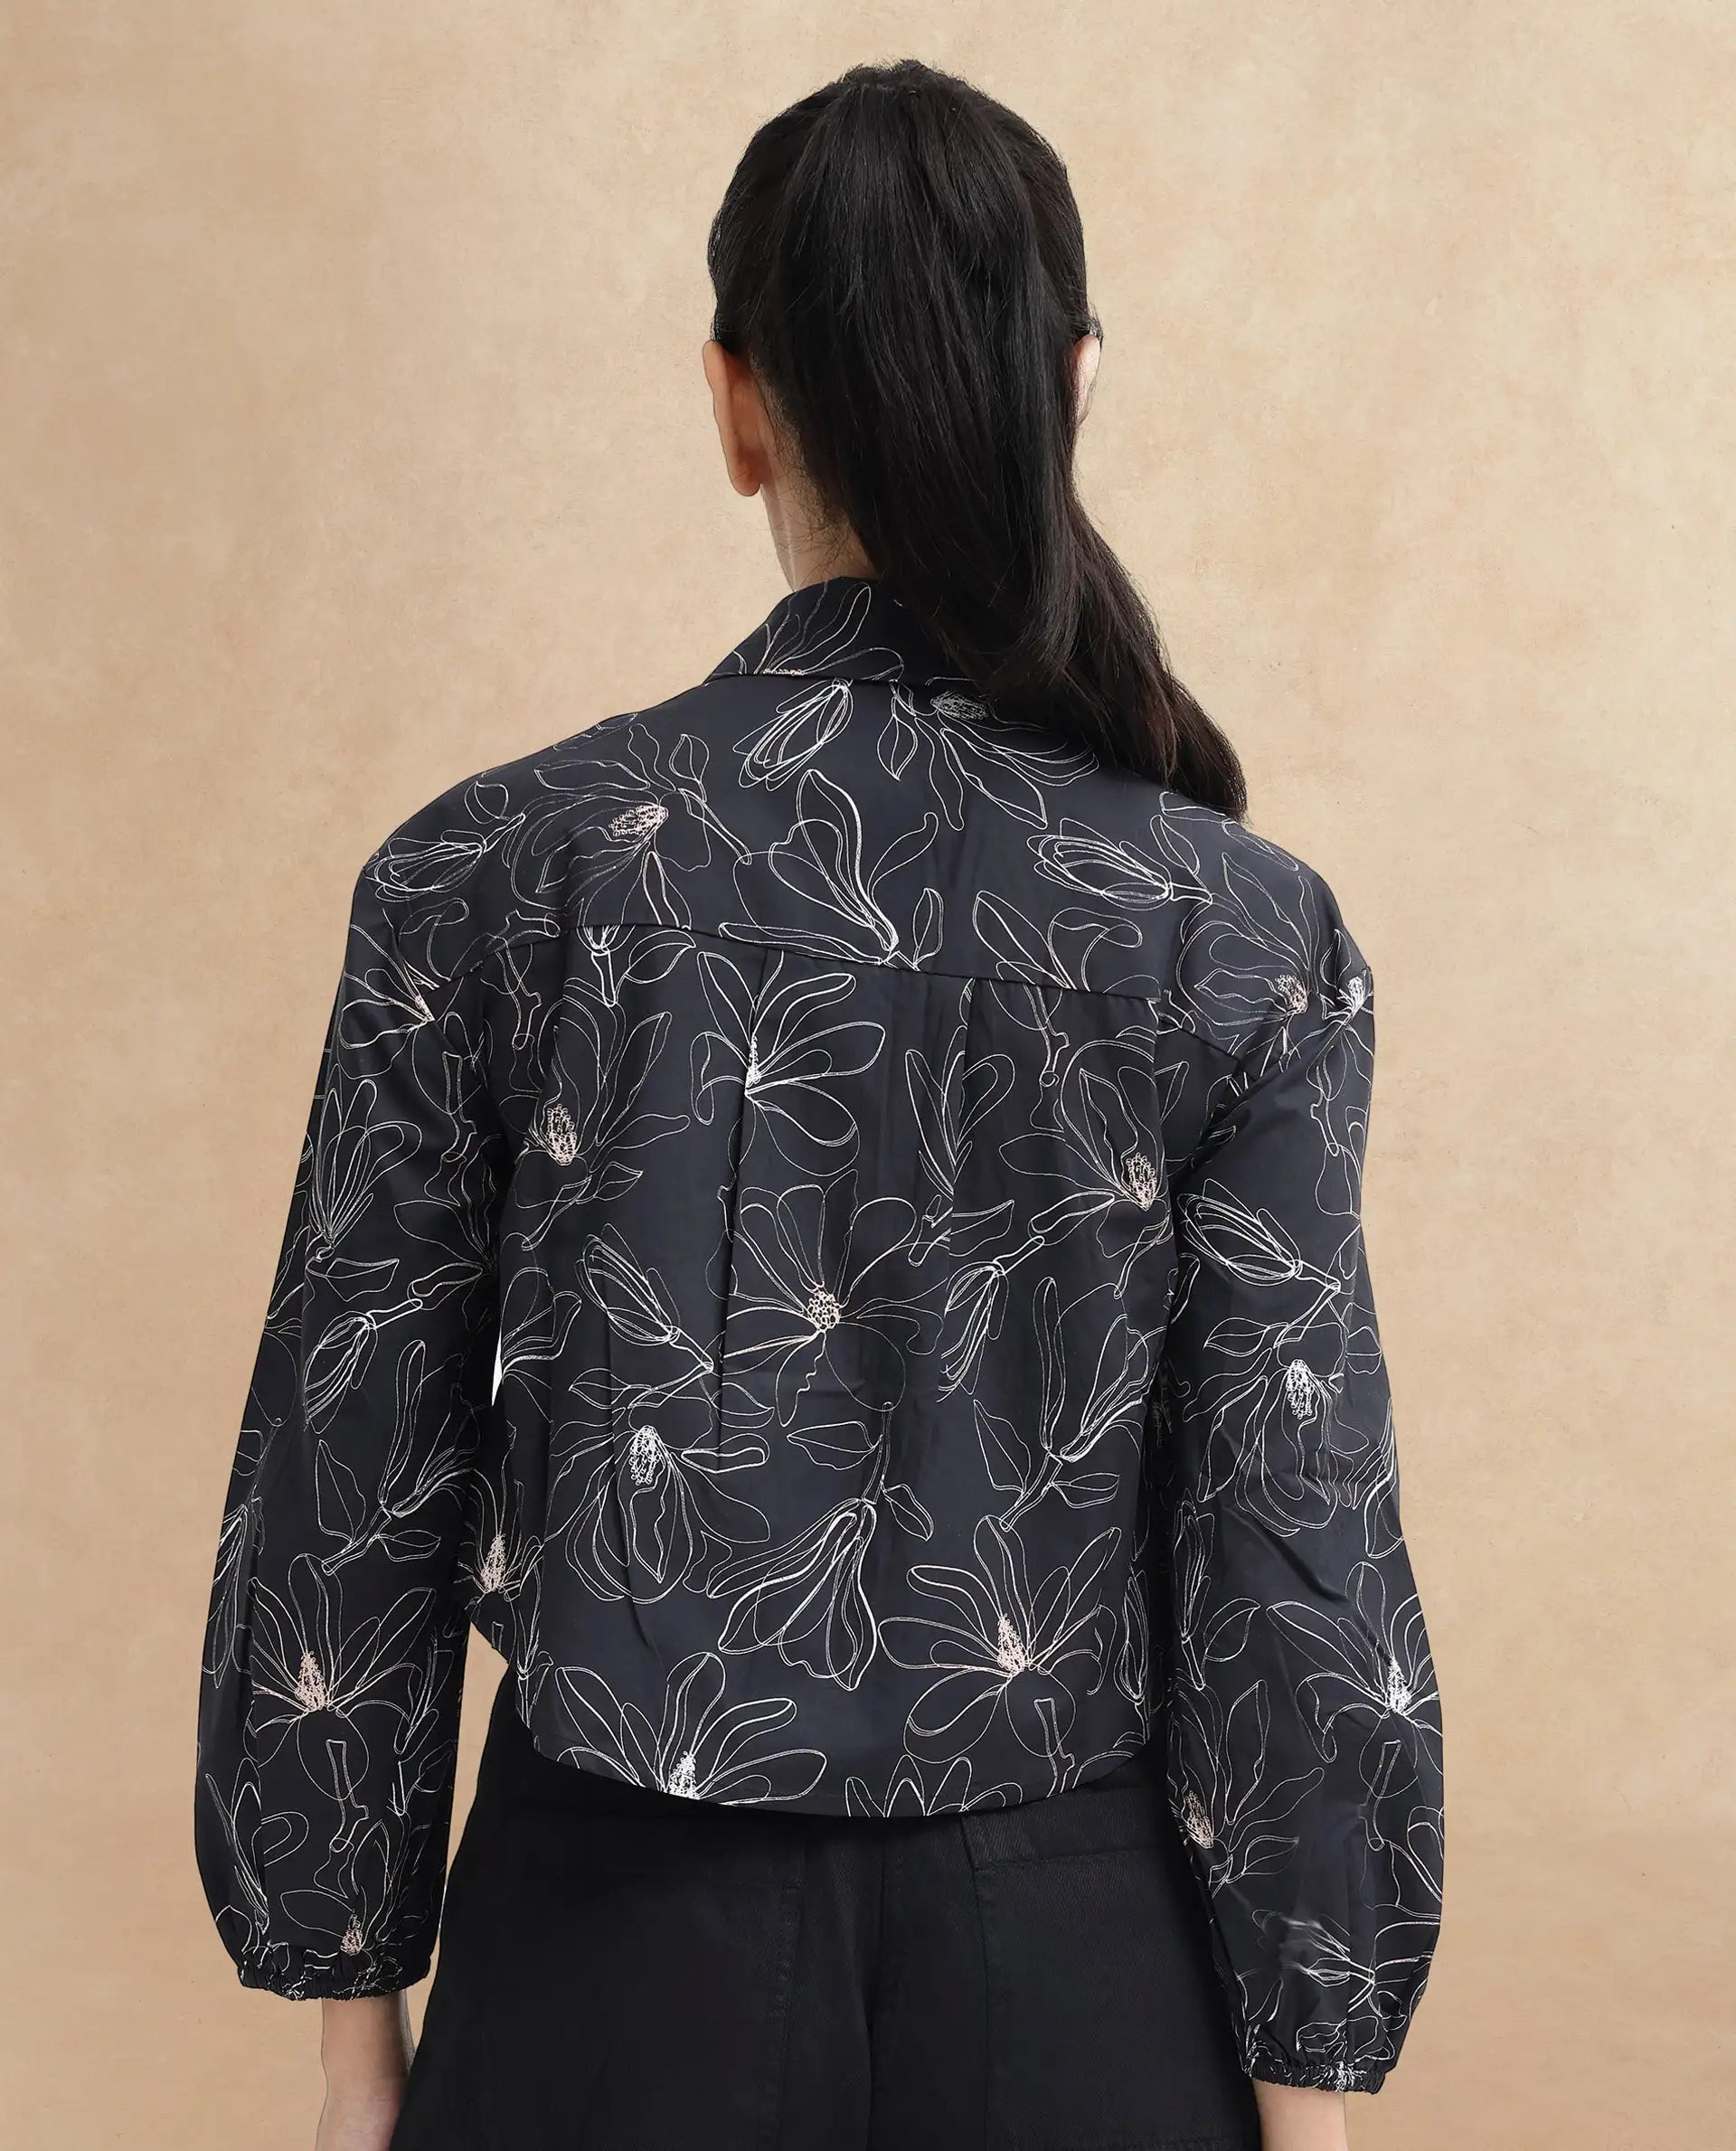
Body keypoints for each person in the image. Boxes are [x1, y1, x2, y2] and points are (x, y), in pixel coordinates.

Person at [193, 57, 1444, 2151]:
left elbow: (348, 1471)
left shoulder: (486, 874)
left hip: (606, 1955)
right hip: (1085, 1958)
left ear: (735, 401)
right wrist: (1310, 2104)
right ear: (1071, 385)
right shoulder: (1240, 930)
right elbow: (1287, 1541)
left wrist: (353, 2037)